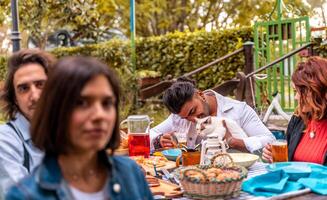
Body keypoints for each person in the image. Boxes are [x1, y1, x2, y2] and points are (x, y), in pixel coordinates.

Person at [6, 57, 153, 199]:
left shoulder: (131, 173)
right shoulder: (25, 195)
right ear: (54, 109)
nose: (99, 115)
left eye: (107, 103)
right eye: (81, 103)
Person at [150, 77, 275, 153]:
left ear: (200, 95)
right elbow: (150, 133)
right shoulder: (180, 116)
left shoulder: (239, 110)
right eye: (186, 117)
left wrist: (233, 141)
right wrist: (159, 140)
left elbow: (270, 140)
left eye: (193, 111)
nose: (193, 119)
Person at [0, 49, 55, 195]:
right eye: (24, 88)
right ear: (15, 100)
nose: (35, 96)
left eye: (40, 84)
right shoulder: (5, 140)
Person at [262, 57, 327, 165]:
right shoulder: (298, 120)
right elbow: (289, 164)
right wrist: (274, 158)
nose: (296, 97)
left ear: (318, 91)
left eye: (300, 92)